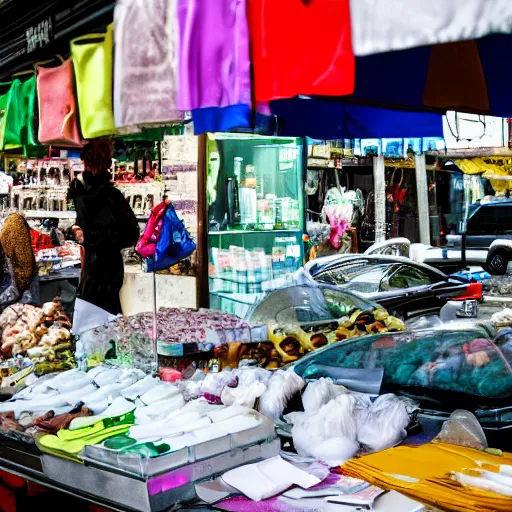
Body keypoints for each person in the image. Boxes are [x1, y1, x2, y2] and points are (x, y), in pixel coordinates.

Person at [67, 139, 139, 314]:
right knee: (100, 315)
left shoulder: (107, 195)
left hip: (105, 269)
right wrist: (76, 231)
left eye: (87, 163)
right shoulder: (84, 192)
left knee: (99, 315)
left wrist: (88, 236)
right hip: (98, 266)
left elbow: (129, 233)